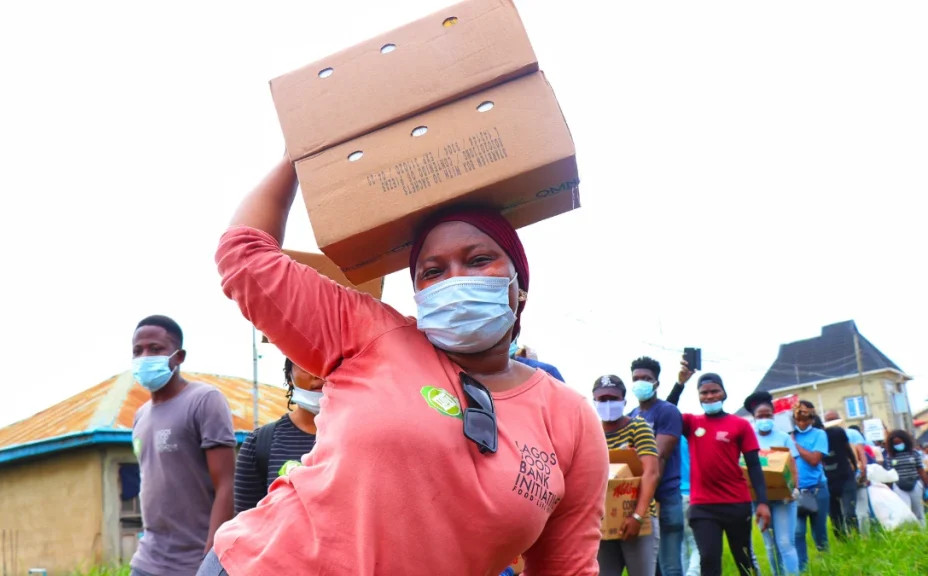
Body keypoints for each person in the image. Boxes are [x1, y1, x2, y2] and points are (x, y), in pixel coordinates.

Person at [202, 156, 608, 575]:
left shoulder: (570, 419)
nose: (455, 279)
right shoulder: (371, 334)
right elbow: (243, 257)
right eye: (433, 271)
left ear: (519, 284)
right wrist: (298, 156)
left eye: (478, 260)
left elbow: (567, 567)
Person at [129, 315, 236, 576]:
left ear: (179, 357)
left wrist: (212, 558)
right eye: (137, 351)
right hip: (147, 560)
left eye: (155, 349)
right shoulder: (140, 416)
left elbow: (227, 483)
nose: (145, 357)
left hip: (195, 563)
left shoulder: (204, 400)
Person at [680, 373, 770, 576]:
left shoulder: (740, 425)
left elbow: (754, 466)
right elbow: (666, 413)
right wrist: (680, 384)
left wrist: (763, 502)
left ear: (724, 393)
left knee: (744, 558)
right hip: (703, 506)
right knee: (708, 559)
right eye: (704, 392)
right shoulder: (691, 423)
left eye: (714, 391)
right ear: (698, 396)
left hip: (736, 503)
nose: (709, 396)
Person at [233, 357, 320, 513]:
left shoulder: (364, 441)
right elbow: (246, 523)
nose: (319, 374)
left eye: (332, 364)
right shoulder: (259, 443)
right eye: (307, 364)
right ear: (290, 376)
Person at [593, 374, 660, 576]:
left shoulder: (638, 427)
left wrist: (637, 517)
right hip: (602, 522)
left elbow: (651, 472)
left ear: (623, 400)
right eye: (602, 399)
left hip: (639, 519)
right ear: (594, 401)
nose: (608, 403)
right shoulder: (592, 432)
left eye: (613, 398)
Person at [628, 356, 687, 576]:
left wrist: (647, 496)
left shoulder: (667, 411)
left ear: (656, 383)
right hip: (640, 498)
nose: (640, 382)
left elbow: (659, 456)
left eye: (646, 378)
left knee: (670, 566)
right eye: (636, 378)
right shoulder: (632, 416)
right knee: (651, 567)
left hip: (665, 496)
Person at [743, 392, 800, 576]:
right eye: (760, 416)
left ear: (774, 416)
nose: (765, 419)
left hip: (783, 497)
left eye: (768, 415)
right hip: (758, 499)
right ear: (754, 417)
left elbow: (793, 464)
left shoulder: (783, 437)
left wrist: (795, 488)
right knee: (770, 545)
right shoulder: (747, 437)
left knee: (785, 542)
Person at [790, 401, 829, 571]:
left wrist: (794, 445)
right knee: (798, 532)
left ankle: (826, 565)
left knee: (819, 531)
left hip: (817, 489)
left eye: (805, 420)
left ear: (812, 419)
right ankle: (802, 568)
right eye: (798, 420)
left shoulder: (819, 434)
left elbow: (814, 460)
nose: (802, 423)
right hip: (796, 490)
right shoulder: (788, 435)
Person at [821, 410, 862, 537]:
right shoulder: (817, 438)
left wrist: (856, 468)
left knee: (850, 512)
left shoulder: (839, 433)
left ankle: (855, 537)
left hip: (845, 477)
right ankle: (842, 540)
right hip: (828, 480)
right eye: (829, 420)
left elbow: (848, 450)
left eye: (834, 419)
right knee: (834, 516)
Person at [883, 429, 928, 526]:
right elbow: (890, 474)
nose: (898, 445)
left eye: (900, 443)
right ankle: (910, 531)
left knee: (918, 511)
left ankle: (922, 530)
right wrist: (889, 490)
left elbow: (921, 470)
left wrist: (926, 485)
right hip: (899, 486)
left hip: (915, 484)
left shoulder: (914, 454)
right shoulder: (890, 456)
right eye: (895, 443)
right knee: (905, 512)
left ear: (905, 441)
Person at [679, 435, 701, 576]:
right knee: (698, 544)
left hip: (672, 497)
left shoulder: (663, 437)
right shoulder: (688, 439)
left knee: (681, 546)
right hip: (690, 494)